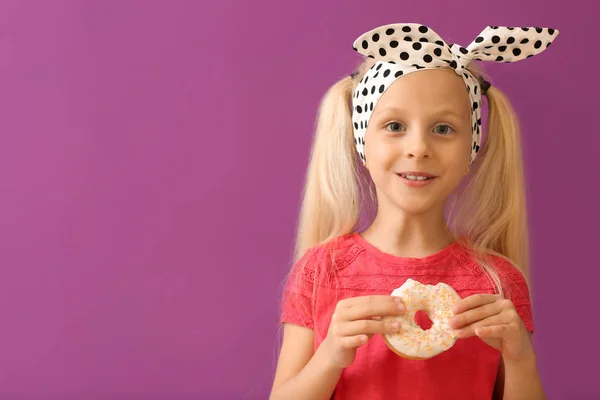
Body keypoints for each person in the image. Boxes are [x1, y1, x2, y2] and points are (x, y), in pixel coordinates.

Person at [270, 23, 559, 400]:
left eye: (443, 128)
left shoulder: (498, 283)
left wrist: (520, 358)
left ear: (470, 151)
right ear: (362, 144)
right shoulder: (321, 271)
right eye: (394, 126)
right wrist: (330, 357)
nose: (418, 147)